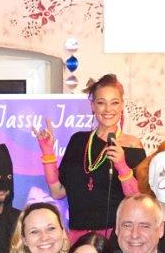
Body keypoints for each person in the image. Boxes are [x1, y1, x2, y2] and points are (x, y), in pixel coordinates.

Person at [35, 74, 145, 240]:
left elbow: (139, 200)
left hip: (115, 238)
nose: (108, 109)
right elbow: (58, 192)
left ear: (122, 105)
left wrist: (122, 166)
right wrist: (48, 152)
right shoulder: (78, 140)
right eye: (101, 103)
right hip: (77, 238)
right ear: (93, 106)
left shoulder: (132, 145)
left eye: (114, 102)